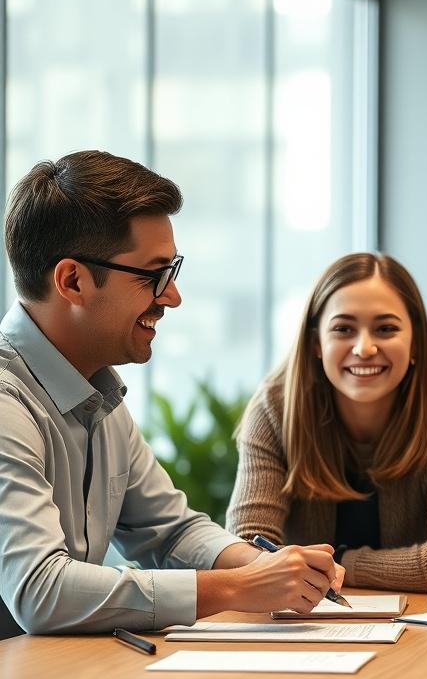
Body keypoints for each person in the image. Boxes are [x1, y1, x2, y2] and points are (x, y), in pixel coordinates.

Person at [0, 150, 343, 638]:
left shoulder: (96, 392)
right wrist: (236, 587)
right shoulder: (6, 403)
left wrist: (272, 568)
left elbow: (172, 530)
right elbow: (41, 591)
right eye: (152, 275)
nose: (172, 296)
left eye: (173, 271)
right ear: (73, 280)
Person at [226, 253, 427, 592]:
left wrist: (339, 564)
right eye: (344, 329)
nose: (364, 348)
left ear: (415, 344)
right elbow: (247, 548)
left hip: (424, 626)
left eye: (386, 329)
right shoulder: (275, 409)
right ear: (316, 342)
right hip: (301, 623)